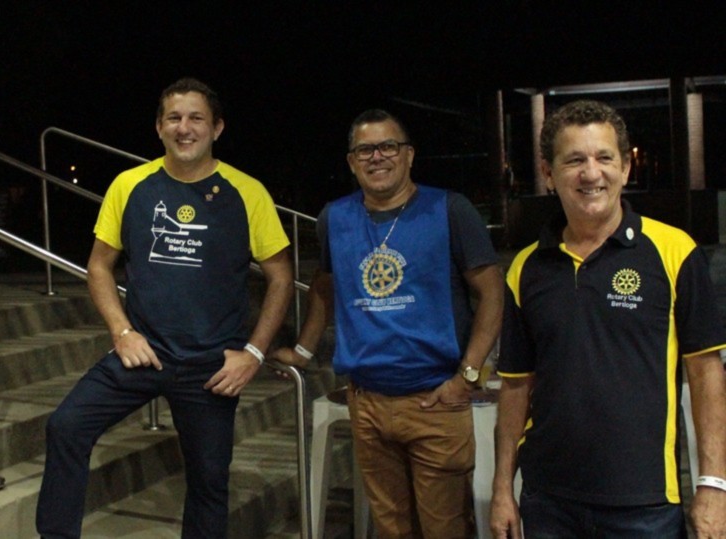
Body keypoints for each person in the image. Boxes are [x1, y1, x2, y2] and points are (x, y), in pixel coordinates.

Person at [35, 78, 293, 538]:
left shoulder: (247, 192)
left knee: (209, 482)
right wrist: (122, 331)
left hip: (211, 365)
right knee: (66, 426)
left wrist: (253, 354)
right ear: (159, 127)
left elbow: (281, 277)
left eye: (196, 118)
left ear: (217, 128)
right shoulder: (130, 185)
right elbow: (99, 267)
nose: (184, 128)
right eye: (173, 118)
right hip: (143, 354)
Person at [490, 99, 726, 538]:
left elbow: (706, 373)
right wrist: (503, 487)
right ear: (548, 173)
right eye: (574, 160)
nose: (591, 173)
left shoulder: (675, 252)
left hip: (645, 504)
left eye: (604, 157)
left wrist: (714, 485)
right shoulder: (526, 267)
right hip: (548, 501)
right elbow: (516, 386)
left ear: (626, 168)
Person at [274, 109, 503, 538]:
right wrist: (303, 351)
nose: (377, 156)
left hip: (436, 401)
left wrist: (469, 376)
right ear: (351, 162)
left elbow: (492, 292)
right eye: (365, 150)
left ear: (409, 154)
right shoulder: (334, 219)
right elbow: (324, 285)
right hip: (368, 403)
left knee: (445, 529)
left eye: (388, 146)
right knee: (390, 528)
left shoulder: (449, 210)